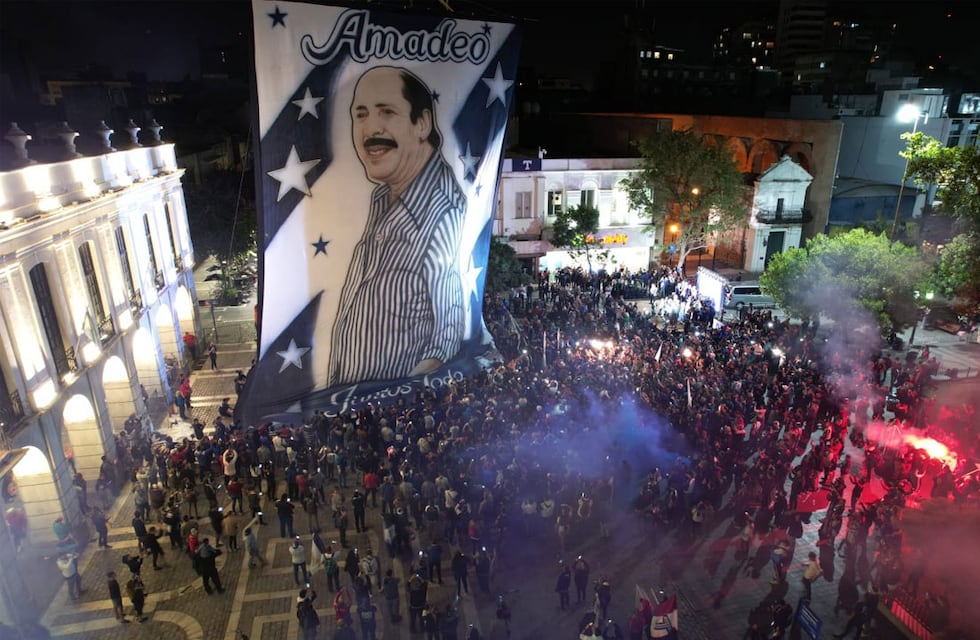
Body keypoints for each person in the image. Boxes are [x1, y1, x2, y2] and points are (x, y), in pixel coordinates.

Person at [328, 65, 466, 386]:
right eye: (360, 115)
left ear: (422, 123)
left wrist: (403, 399)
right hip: (350, 403)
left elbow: (448, 327)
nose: (369, 129)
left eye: (386, 112)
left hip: (389, 413)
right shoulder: (383, 198)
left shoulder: (441, 212)